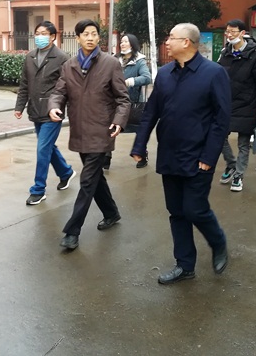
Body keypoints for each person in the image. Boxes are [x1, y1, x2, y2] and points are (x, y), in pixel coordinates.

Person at [131, 23, 231, 285]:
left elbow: (221, 120)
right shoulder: (165, 74)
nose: (167, 42)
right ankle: (185, 265)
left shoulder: (214, 73)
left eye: (171, 38)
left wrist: (209, 157)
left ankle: (218, 242)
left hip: (198, 157)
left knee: (195, 209)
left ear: (187, 42)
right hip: (170, 155)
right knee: (176, 211)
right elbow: (151, 112)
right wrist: (139, 146)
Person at [49, 19, 130, 251]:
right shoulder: (69, 66)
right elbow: (59, 92)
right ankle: (111, 213)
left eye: (94, 33)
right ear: (78, 38)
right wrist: (54, 106)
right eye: (86, 34)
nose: (91, 38)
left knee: (86, 181)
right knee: (95, 178)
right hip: (80, 131)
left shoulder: (110, 64)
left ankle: (72, 231)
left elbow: (123, 99)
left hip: (102, 131)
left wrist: (118, 121)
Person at [15, 20, 77, 206]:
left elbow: (68, 87)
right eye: (37, 33)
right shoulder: (30, 56)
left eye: (44, 34)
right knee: (48, 147)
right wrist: (19, 106)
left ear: (52, 37)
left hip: (52, 112)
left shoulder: (62, 58)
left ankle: (38, 189)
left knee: (42, 148)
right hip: (35, 109)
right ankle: (66, 172)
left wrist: (66, 109)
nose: (39, 37)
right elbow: (25, 84)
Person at [217, 19, 256, 192]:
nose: (229, 35)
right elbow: (216, 74)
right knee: (219, 136)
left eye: (233, 31)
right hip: (226, 102)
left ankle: (238, 175)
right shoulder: (225, 52)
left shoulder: (254, 53)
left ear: (242, 33)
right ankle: (231, 164)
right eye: (227, 31)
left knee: (243, 143)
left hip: (247, 103)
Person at [102, 33, 152, 169]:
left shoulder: (139, 61)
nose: (122, 44)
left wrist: (130, 81)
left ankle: (141, 154)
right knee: (109, 127)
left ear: (132, 44)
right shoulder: (114, 59)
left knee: (139, 129)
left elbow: (147, 77)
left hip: (131, 102)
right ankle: (106, 157)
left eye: (125, 41)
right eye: (122, 41)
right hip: (113, 101)